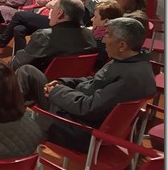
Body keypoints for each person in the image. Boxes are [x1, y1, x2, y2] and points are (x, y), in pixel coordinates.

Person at [17, 18, 156, 152]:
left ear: (122, 45)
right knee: (27, 72)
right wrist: (64, 82)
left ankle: (3, 126)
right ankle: (4, 112)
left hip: (78, 128)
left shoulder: (129, 77)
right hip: (72, 108)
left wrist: (57, 91)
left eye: (108, 35)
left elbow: (88, 108)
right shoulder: (133, 62)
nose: (103, 39)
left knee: (19, 120)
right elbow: (92, 80)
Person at [9, 0, 97, 72]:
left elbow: (17, 65)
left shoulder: (45, 36)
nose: (50, 13)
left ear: (60, 13)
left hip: (43, 85)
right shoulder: (90, 35)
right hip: (73, 84)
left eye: (53, 9)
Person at [91, 0, 124, 71]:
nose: (92, 19)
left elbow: (97, 64)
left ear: (106, 21)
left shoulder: (101, 40)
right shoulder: (119, 33)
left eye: (95, 17)